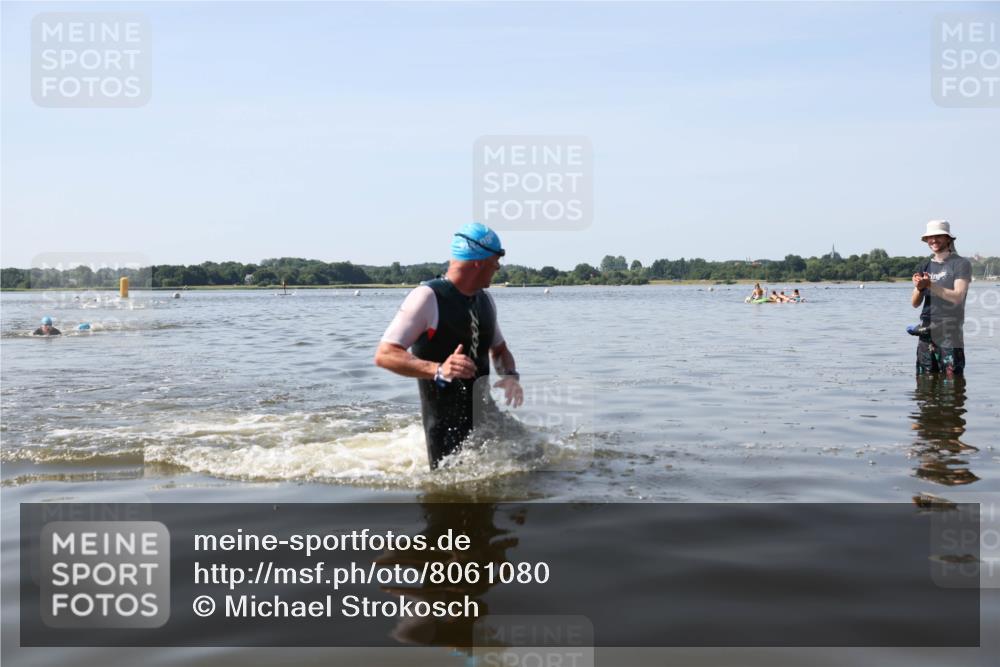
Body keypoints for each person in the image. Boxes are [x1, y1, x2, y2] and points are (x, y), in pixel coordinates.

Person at [375, 223, 523, 469]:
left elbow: (499, 350)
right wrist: (438, 369)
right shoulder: (427, 297)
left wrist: (510, 376)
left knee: (534, 462)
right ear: (479, 261)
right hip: (444, 429)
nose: (498, 268)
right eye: (496, 261)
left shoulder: (485, 300)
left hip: (485, 417)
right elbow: (385, 354)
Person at [910, 220, 971, 377]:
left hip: (950, 333)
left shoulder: (960, 264)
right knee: (924, 382)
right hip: (926, 331)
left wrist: (930, 285)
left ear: (948, 239)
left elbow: (958, 297)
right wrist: (920, 287)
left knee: (952, 384)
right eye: (930, 237)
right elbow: (915, 303)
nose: (934, 240)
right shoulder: (924, 266)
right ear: (926, 240)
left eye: (938, 236)